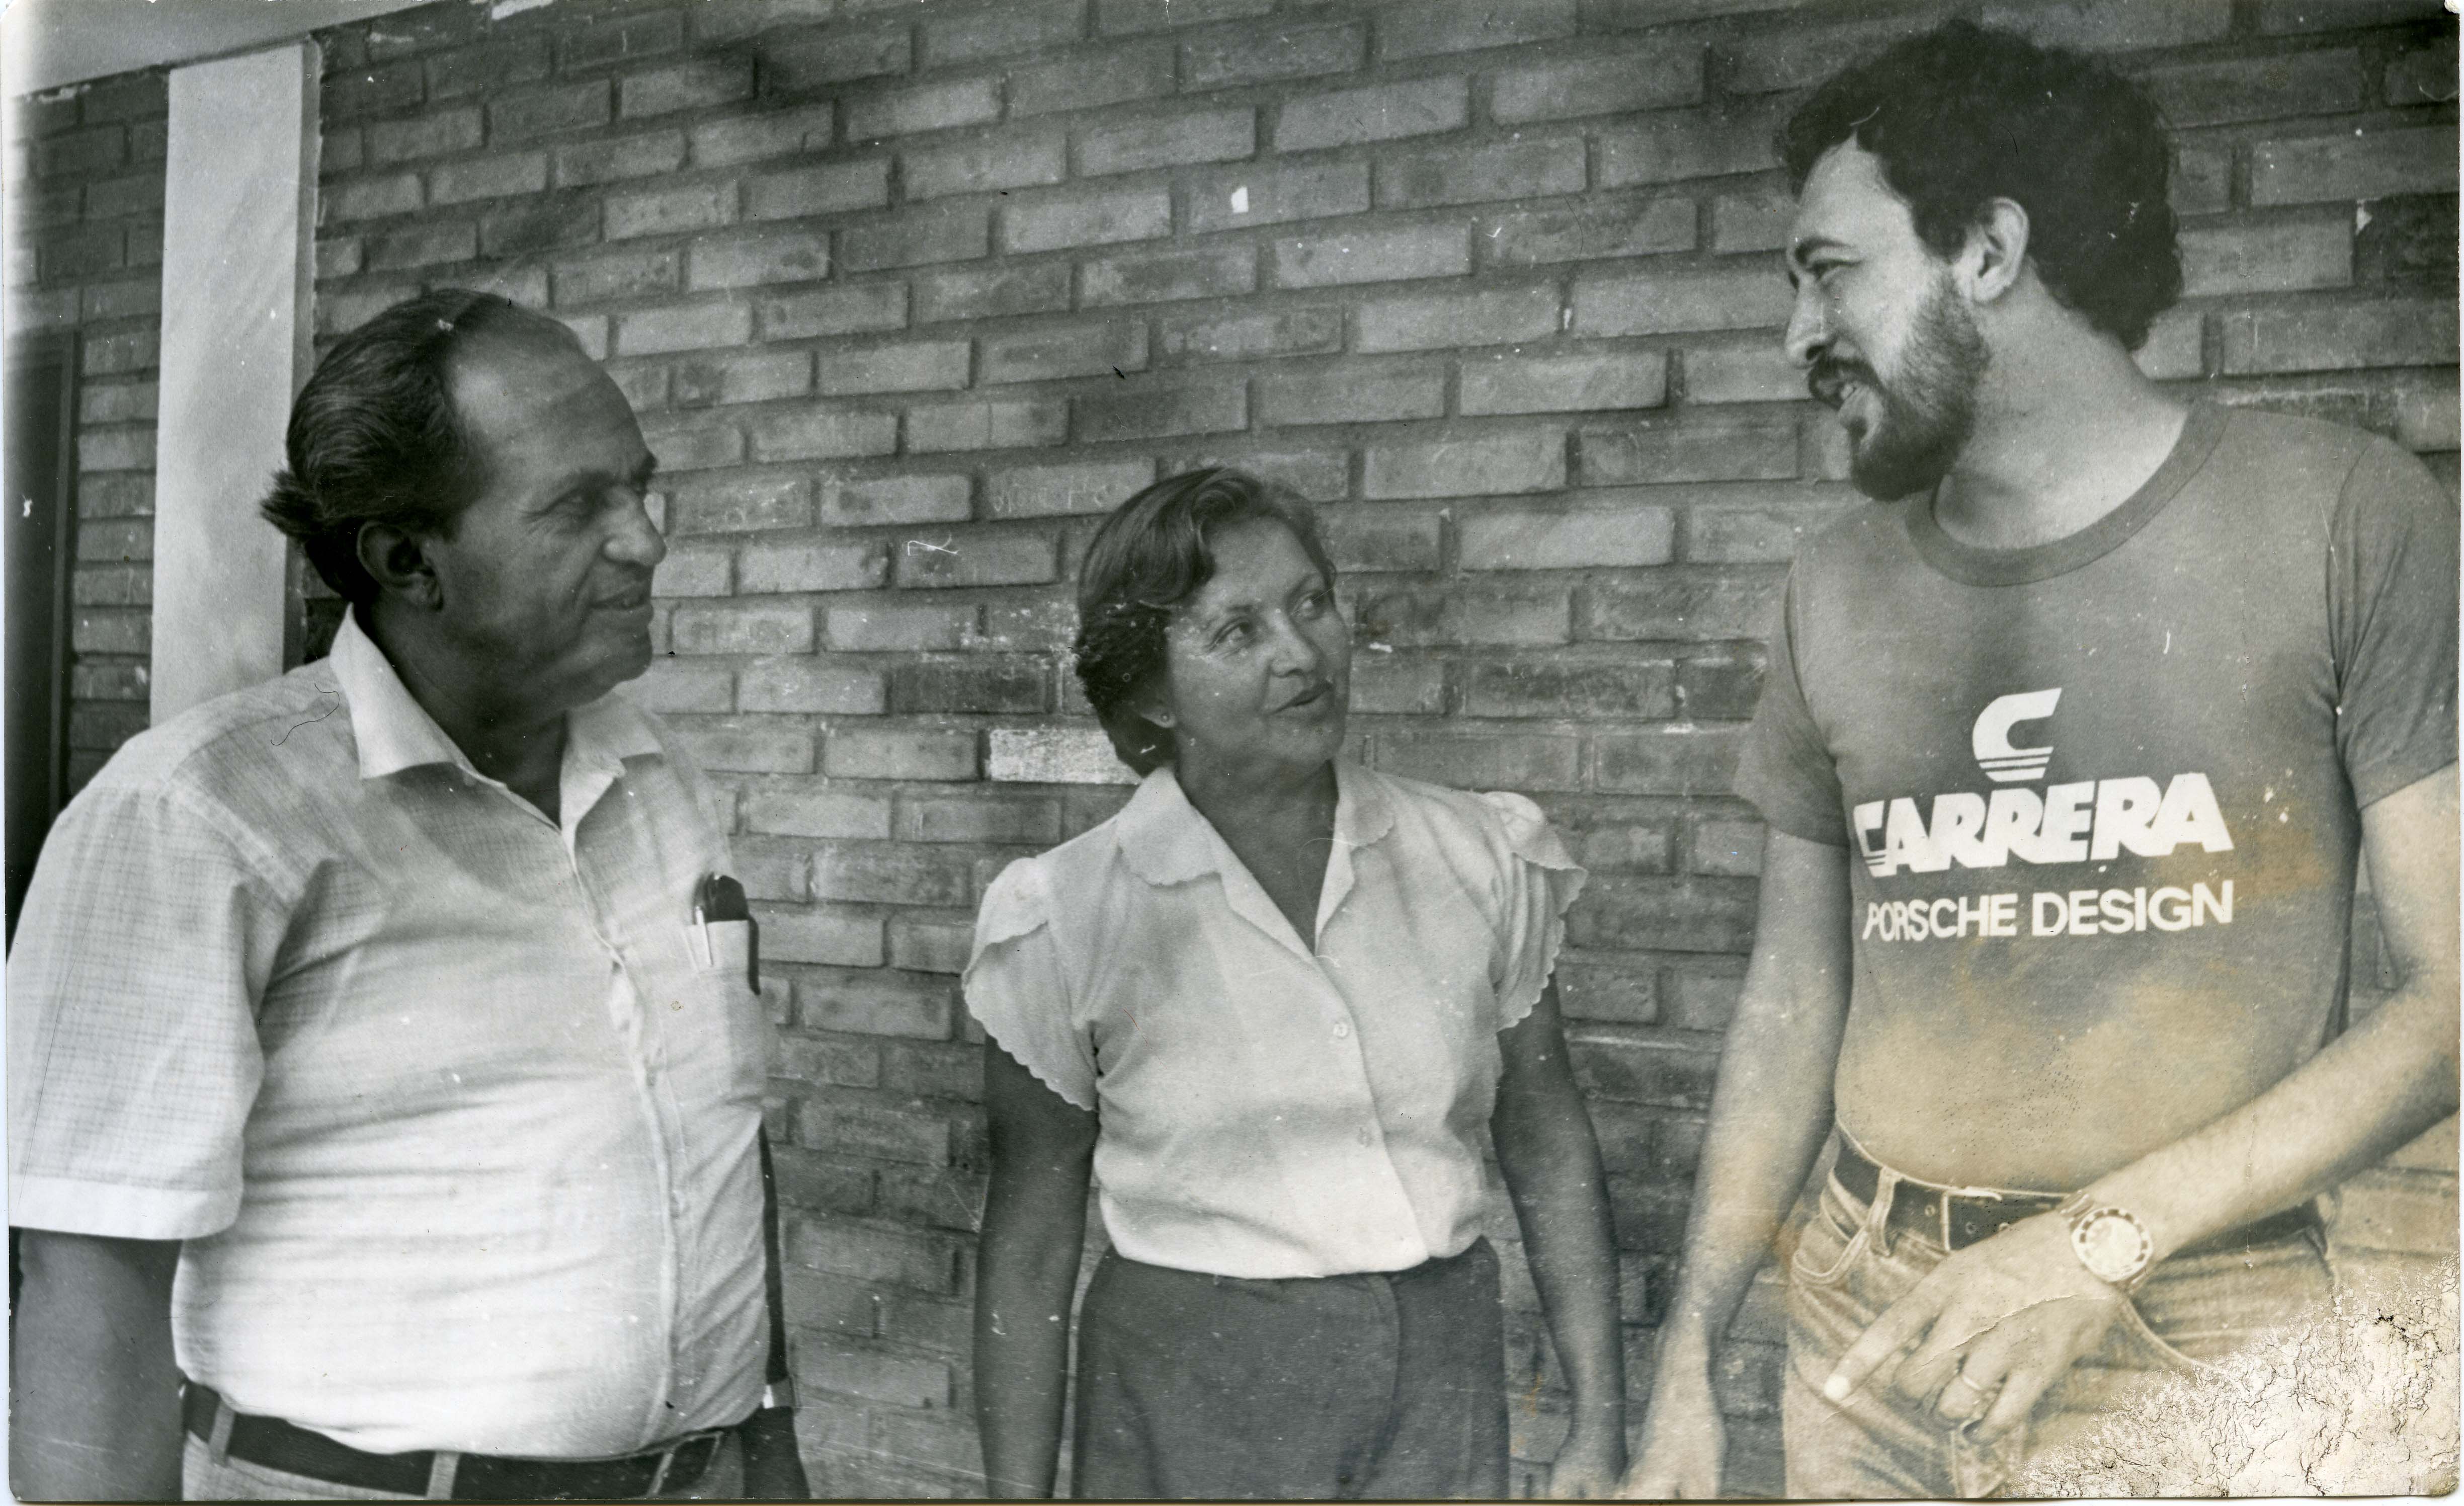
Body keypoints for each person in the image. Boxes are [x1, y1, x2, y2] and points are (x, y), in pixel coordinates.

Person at [1627, 21, 2457, 1499]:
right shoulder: (1830, 586)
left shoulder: (2344, 515)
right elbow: (1790, 1000)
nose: (1796, 337)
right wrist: (1688, 1349)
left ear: (1990, 250)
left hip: (2188, 1329)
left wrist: (2098, 1241)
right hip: (1866, 1329)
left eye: (1829, 272)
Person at [8, 289, 806, 1500]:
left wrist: (771, 1449)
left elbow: (714, 1152)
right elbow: (90, 1294)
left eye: (640, 489)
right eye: (576, 507)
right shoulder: (197, 817)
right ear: (405, 560)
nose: (645, 541)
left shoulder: (657, 778)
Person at [967, 467, 1627, 1499]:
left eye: (1311, 602)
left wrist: (1598, 1423)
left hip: (1439, 1383)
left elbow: (1546, 1141)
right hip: (1191, 1395)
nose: (1300, 653)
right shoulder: (1066, 914)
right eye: (1238, 631)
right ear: (1150, 689)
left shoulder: (1476, 852)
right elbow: (1030, 1241)